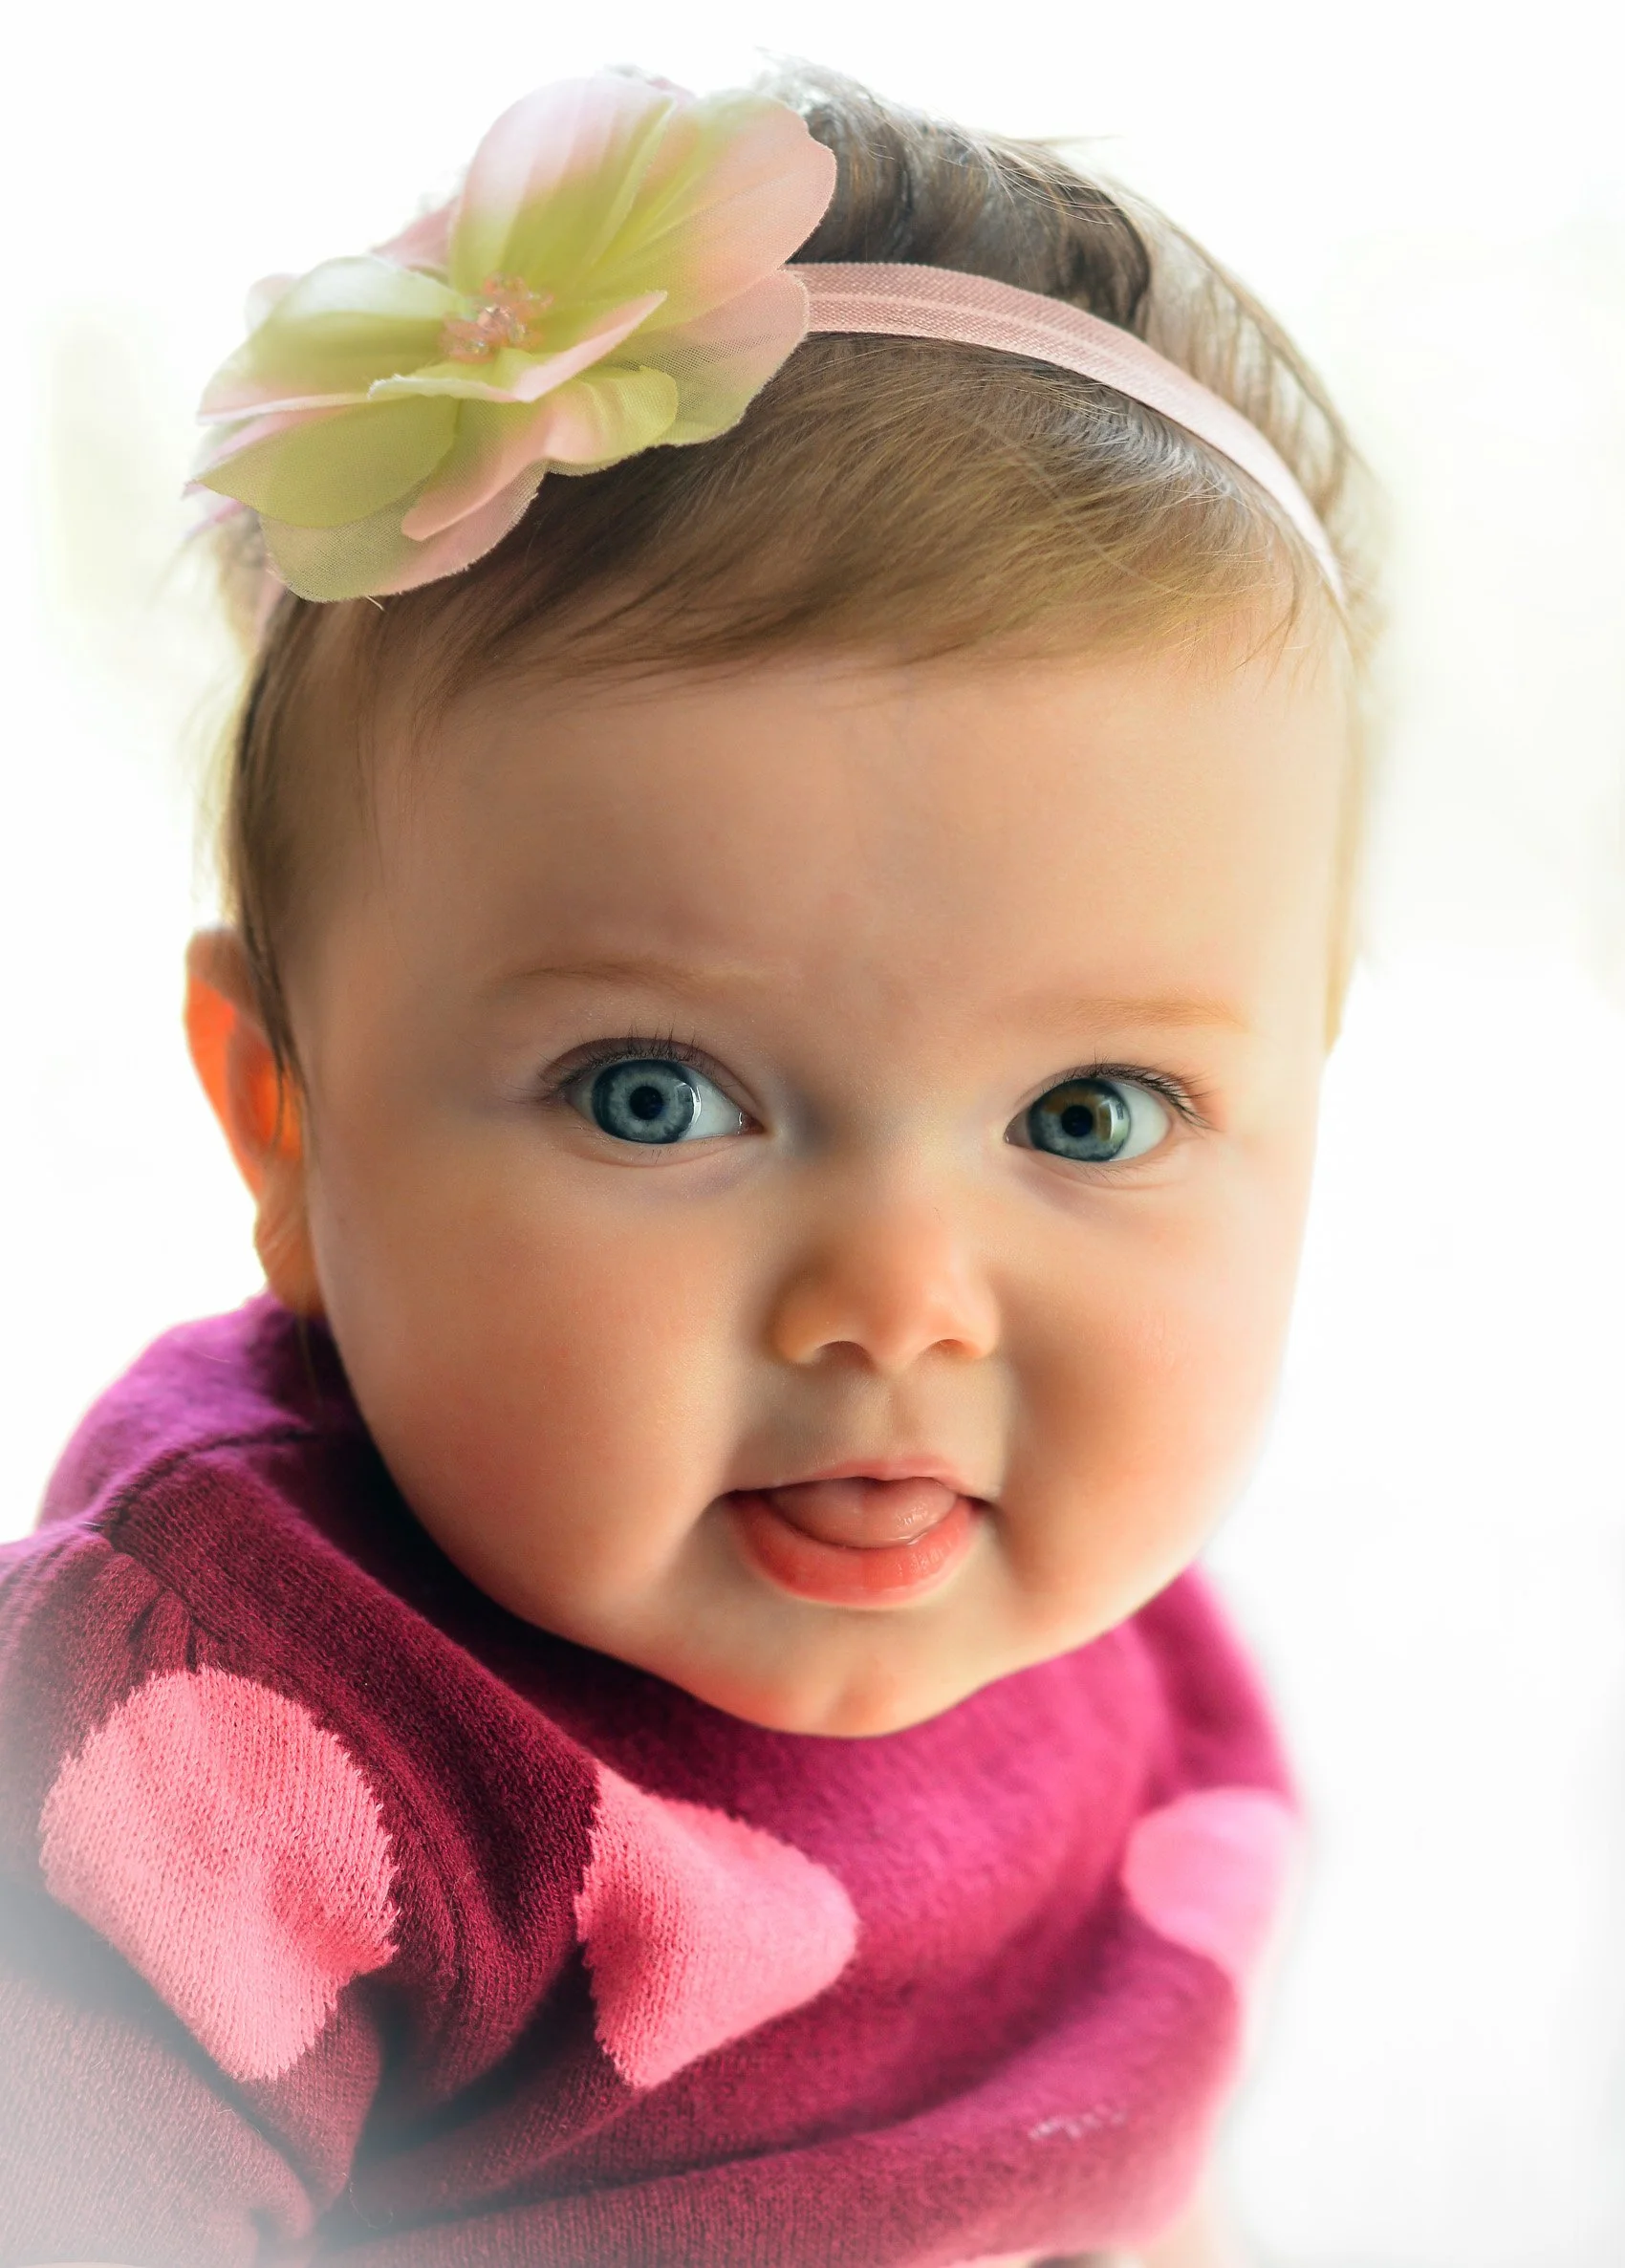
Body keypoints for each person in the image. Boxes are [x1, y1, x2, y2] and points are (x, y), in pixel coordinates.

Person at [0, 63, 1376, 2268]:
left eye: (1089, 1115)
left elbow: (1112, 2168)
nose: (901, 1300)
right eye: (658, 1095)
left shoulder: (1098, 1639)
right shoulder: (208, 1738)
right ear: (285, 1115)